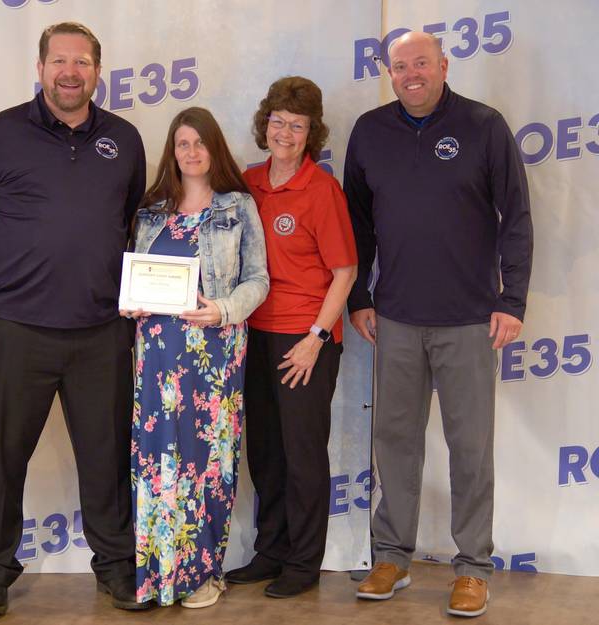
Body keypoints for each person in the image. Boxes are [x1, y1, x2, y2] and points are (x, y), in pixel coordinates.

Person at [0, 22, 147, 615]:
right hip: (17, 327)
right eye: (60, 60)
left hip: (101, 331)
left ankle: (115, 566)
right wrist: (20, 271)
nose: (71, 71)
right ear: (40, 68)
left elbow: (131, 221)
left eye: (83, 61)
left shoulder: (126, 139)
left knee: (107, 456)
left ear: (97, 71)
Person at [343, 32, 533, 618]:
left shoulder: (484, 125)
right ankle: (392, 557)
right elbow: (356, 223)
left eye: (421, 63)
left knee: (470, 447)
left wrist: (513, 299)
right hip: (395, 317)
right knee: (394, 444)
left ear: (443, 65)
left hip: (471, 320)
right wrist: (358, 297)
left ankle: (473, 565)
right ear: (389, 73)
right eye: (400, 67)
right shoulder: (370, 131)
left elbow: (516, 217)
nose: (411, 74)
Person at [124, 107, 268, 609]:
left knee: (206, 458)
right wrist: (130, 301)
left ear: (214, 148)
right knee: (159, 458)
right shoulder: (150, 211)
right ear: (172, 150)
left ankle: (204, 572)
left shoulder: (236, 207)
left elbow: (259, 280)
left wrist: (225, 309)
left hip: (213, 356)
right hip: (156, 358)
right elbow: (133, 275)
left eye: (199, 143)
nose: (191, 152)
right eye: (182, 143)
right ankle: (158, 573)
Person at [225, 77, 357, 598]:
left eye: (296, 125)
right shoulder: (245, 181)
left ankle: (303, 562)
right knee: (266, 452)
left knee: (302, 454)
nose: (285, 132)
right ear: (265, 124)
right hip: (252, 334)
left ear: (311, 133)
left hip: (304, 338)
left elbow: (344, 271)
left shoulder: (321, 190)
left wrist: (316, 338)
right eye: (277, 121)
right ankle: (271, 550)